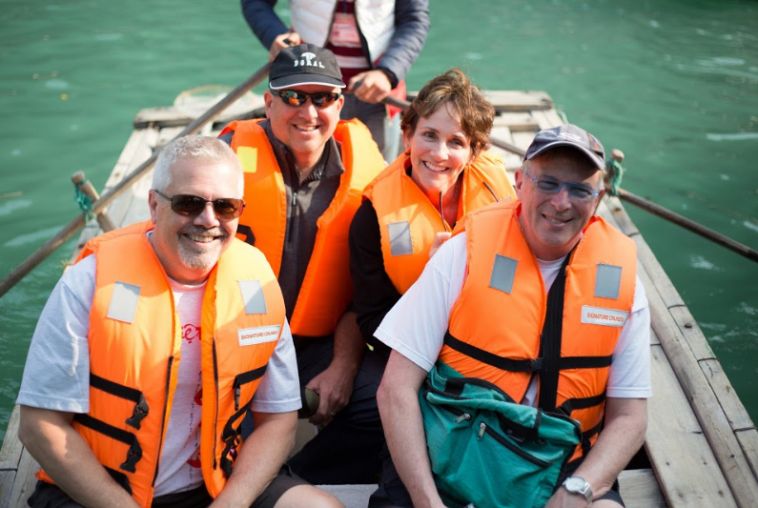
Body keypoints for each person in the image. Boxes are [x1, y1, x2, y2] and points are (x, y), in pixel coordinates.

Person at [16, 136, 341, 508]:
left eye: (225, 206)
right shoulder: (89, 282)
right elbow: (40, 425)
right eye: (189, 203)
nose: (208, 220)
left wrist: (231, 503)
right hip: (105, 491)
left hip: (218, 483)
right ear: (154, 205)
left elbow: (279, 422)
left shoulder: (257, 286)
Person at [375, 124, 651, 507]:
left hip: (561, 468)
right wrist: (427, 502)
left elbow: (630, 418)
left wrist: (578, 491)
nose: (561, 202)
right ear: (520, 182)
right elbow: (396, 389)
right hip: (449, 453)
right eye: (549, 183)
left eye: (580, 189)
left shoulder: (623, 285)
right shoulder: (463, 254)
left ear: (599, 197)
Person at [219, 44, 387, 485]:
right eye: (294, 97)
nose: (308, 112)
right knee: (225, 455)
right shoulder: (223, 161)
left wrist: (345, 365)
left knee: (390, 406)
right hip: (232, 340)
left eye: (323, 98)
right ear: (268, 101)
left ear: (341, 103)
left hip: (316, 346)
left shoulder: (369, 178)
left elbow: (365, 293)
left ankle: (295, 474)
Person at [350, 68, 516, 365]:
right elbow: (372, 320)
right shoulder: (371, 216)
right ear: (407, 136)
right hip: (416, 353)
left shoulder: (499, 191)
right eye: (429, 135)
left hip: (497, 342)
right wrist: (433, 286)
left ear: (474, 152)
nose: (439, 154)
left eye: (456, 142)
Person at [241, 0, 430, 153]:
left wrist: (388, 72)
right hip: (305, 88)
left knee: (376, 176)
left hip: (377, 93)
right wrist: (275, 35)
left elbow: (413, 19)